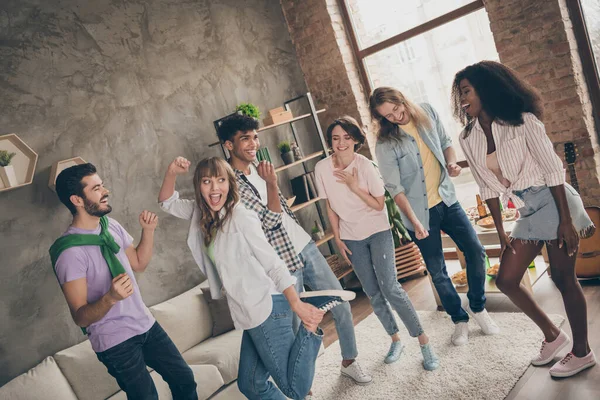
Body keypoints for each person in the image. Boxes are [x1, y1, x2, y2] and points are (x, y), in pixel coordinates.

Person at [159, 156, 355, 400]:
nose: (214, 188)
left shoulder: (240, 216)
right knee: (251, 384)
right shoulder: (203, 214)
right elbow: (167, 202)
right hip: (248, 310)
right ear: (199, 186)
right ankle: (306, 312)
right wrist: (171, 171)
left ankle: (309, 328)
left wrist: (296, 303)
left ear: (230, 184)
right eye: (207, 181)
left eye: (221, 180)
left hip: (266, 305)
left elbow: (272, 261)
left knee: (294, 388)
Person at [452, 60, 596, 377]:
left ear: (485, 89)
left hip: (555, 199)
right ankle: (554, 336)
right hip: (527, 207)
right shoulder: (468, 137)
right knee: (506, 279)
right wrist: (501, 230)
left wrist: (565, 221)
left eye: (467, 90)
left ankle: (582, 352)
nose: (462, 98)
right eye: (460, 92)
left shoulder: (522, 121)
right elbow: (485, 185)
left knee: (562, 278)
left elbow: (553, 168)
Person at [215, 113, 372, 385]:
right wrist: (272, 184)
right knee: (298, 326)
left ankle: (349, 361)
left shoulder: (260, 168)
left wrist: (271, 187)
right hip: (280, 258)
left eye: (254, 137)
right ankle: (305, 386)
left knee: (341, 301)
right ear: (229, 145)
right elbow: (269, 221)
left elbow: (279, 212)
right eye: (245, 139)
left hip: (303, 244)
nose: (253, 144)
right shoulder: (229, 183)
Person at [49, 163, 198, 400]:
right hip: (114, 341)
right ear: (77, 200)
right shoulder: (70, 253)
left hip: (145, 324)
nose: (105, 191)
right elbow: (79, 315)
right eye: (96, 188)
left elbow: (139, 262)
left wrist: (148, 231)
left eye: (102, 185)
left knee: (185, 380)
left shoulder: (111, 227)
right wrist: (110, 298)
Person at [370, 87, 500, 346]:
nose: (395, 117)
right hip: (418, 213)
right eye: (387, 116)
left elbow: (445, 143)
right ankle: (459, 320)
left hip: (447, 200)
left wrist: (452, 163)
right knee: (438, 271)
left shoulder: (426, 112)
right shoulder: (385, 144)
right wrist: (416, 222)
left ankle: (477, 306)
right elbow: (395, 190)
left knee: (476, 251)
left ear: (402, 99)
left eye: (396, 109)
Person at [314, 116, 440, 370]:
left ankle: (424, 342)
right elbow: (329, 206)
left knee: (390, 287)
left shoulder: (365, 167)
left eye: (347, 138)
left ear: (356, 140)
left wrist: (353, 186)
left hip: (377, 231)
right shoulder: (322, 169)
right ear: (330, 141)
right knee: (372, 291)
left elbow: (379, 204)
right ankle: (395, 339)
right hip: (351, 237)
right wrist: (338, 238)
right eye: (336, 138)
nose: (341, 143)